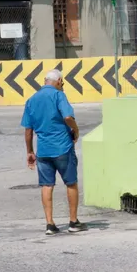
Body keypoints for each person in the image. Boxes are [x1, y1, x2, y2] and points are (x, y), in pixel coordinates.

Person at [21, 69, 86, 235]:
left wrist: (30, 152)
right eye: (62, 83)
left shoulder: (31, 100)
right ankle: (73, 221)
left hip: (43, 151)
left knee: (46, 185)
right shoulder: (59, 95)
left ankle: (50, 224)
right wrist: (76, 130)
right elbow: (68, 117)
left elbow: (28, 131)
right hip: (63, 148)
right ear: (59, 81)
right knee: (71, 182)